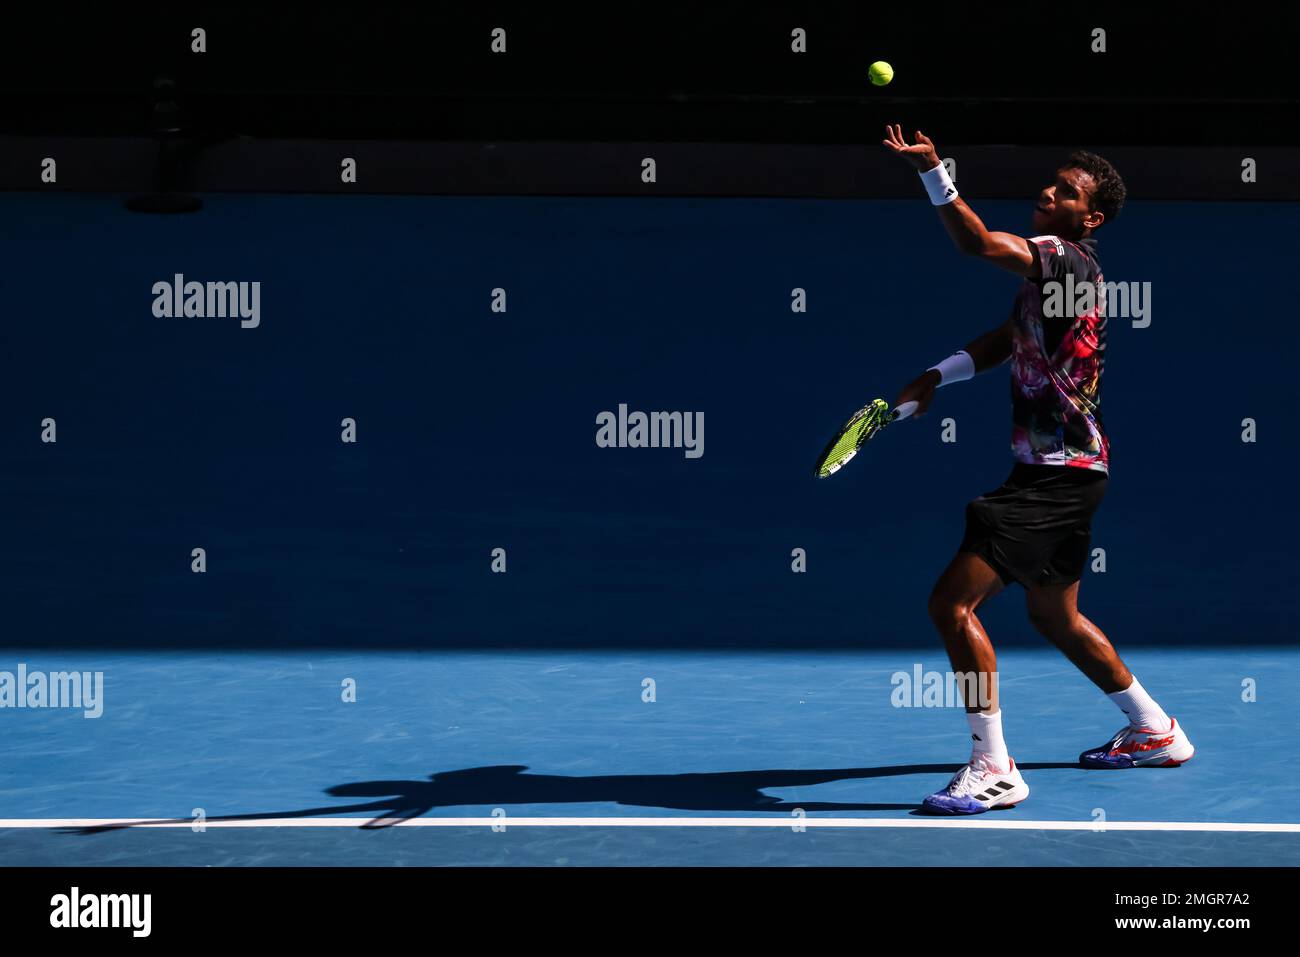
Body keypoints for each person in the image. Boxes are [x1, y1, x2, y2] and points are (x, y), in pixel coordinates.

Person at [882, 125, 1194, 815]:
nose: (1047, 193)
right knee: (1055, 613)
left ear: (1092, 218)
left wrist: (935, 171)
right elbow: (1006, 338)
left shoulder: (1064, 258)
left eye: (1066, 192)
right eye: (1051, 184)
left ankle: (993, 767)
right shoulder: (1050, 280)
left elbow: (976, 243)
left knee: (951, 604)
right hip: (1073, 471)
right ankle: (1155, 729)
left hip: (1054, 477)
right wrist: (938, 373)